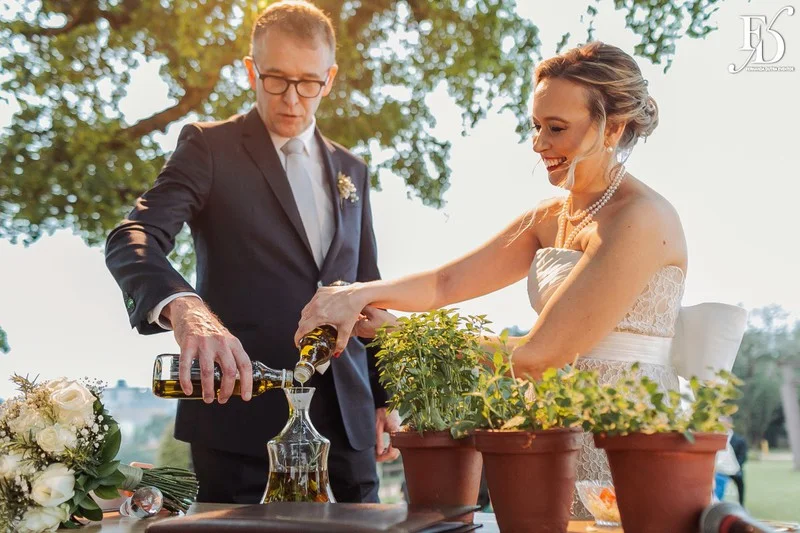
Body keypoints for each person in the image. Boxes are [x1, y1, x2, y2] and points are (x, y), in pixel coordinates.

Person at [296, 41, 686, 519]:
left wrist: (403, 335)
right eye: (536, 126)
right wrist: (354, 293)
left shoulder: (641, 219)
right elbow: (445, 284)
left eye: (557, 129)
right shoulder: (550, 216)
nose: (539, 145)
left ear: (615, 128)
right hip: (548, 431)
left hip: (625, 433)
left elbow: (540, 355)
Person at [105, 0, 398, 505]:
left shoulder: (354, 170)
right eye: (275, 79)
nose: (292, 98)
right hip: (238, 410)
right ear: (250, 71)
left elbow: (366, 288)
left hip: (347, 419)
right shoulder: (208, 147)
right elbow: (133, 236)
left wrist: (383, 398)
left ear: (329, 79)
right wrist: (185, 307)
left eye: (308, 82)